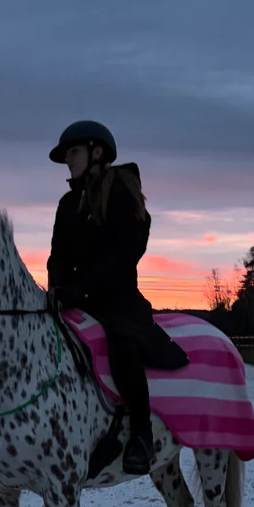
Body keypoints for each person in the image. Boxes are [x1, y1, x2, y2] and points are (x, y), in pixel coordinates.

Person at [46, 120, 188, 475]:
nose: (68, 161)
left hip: (117, 299)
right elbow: (57, 255)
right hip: (74, 300)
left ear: (97, 152)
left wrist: (80, 289)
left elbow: (125, 254)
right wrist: (56, 289)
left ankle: (141, 434)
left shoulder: (122, 193)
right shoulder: (67, 203)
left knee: (124, 347)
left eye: (73, 152)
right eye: (66, 155)